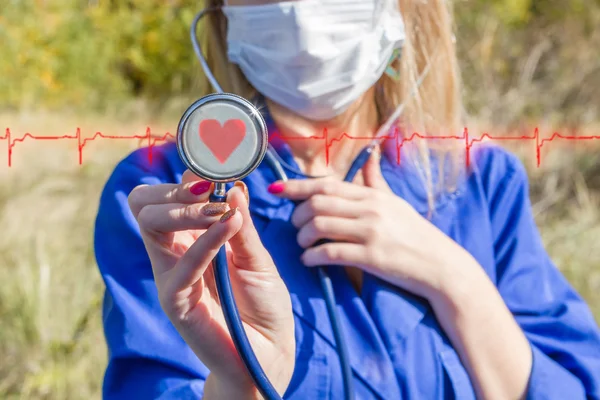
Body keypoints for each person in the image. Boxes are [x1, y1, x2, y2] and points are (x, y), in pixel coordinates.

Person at [94, 0, 600, 399]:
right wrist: (237, 384)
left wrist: (458, 282)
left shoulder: (479, 179)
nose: (302, 9)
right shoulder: (164, 199)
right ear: (224, 11)